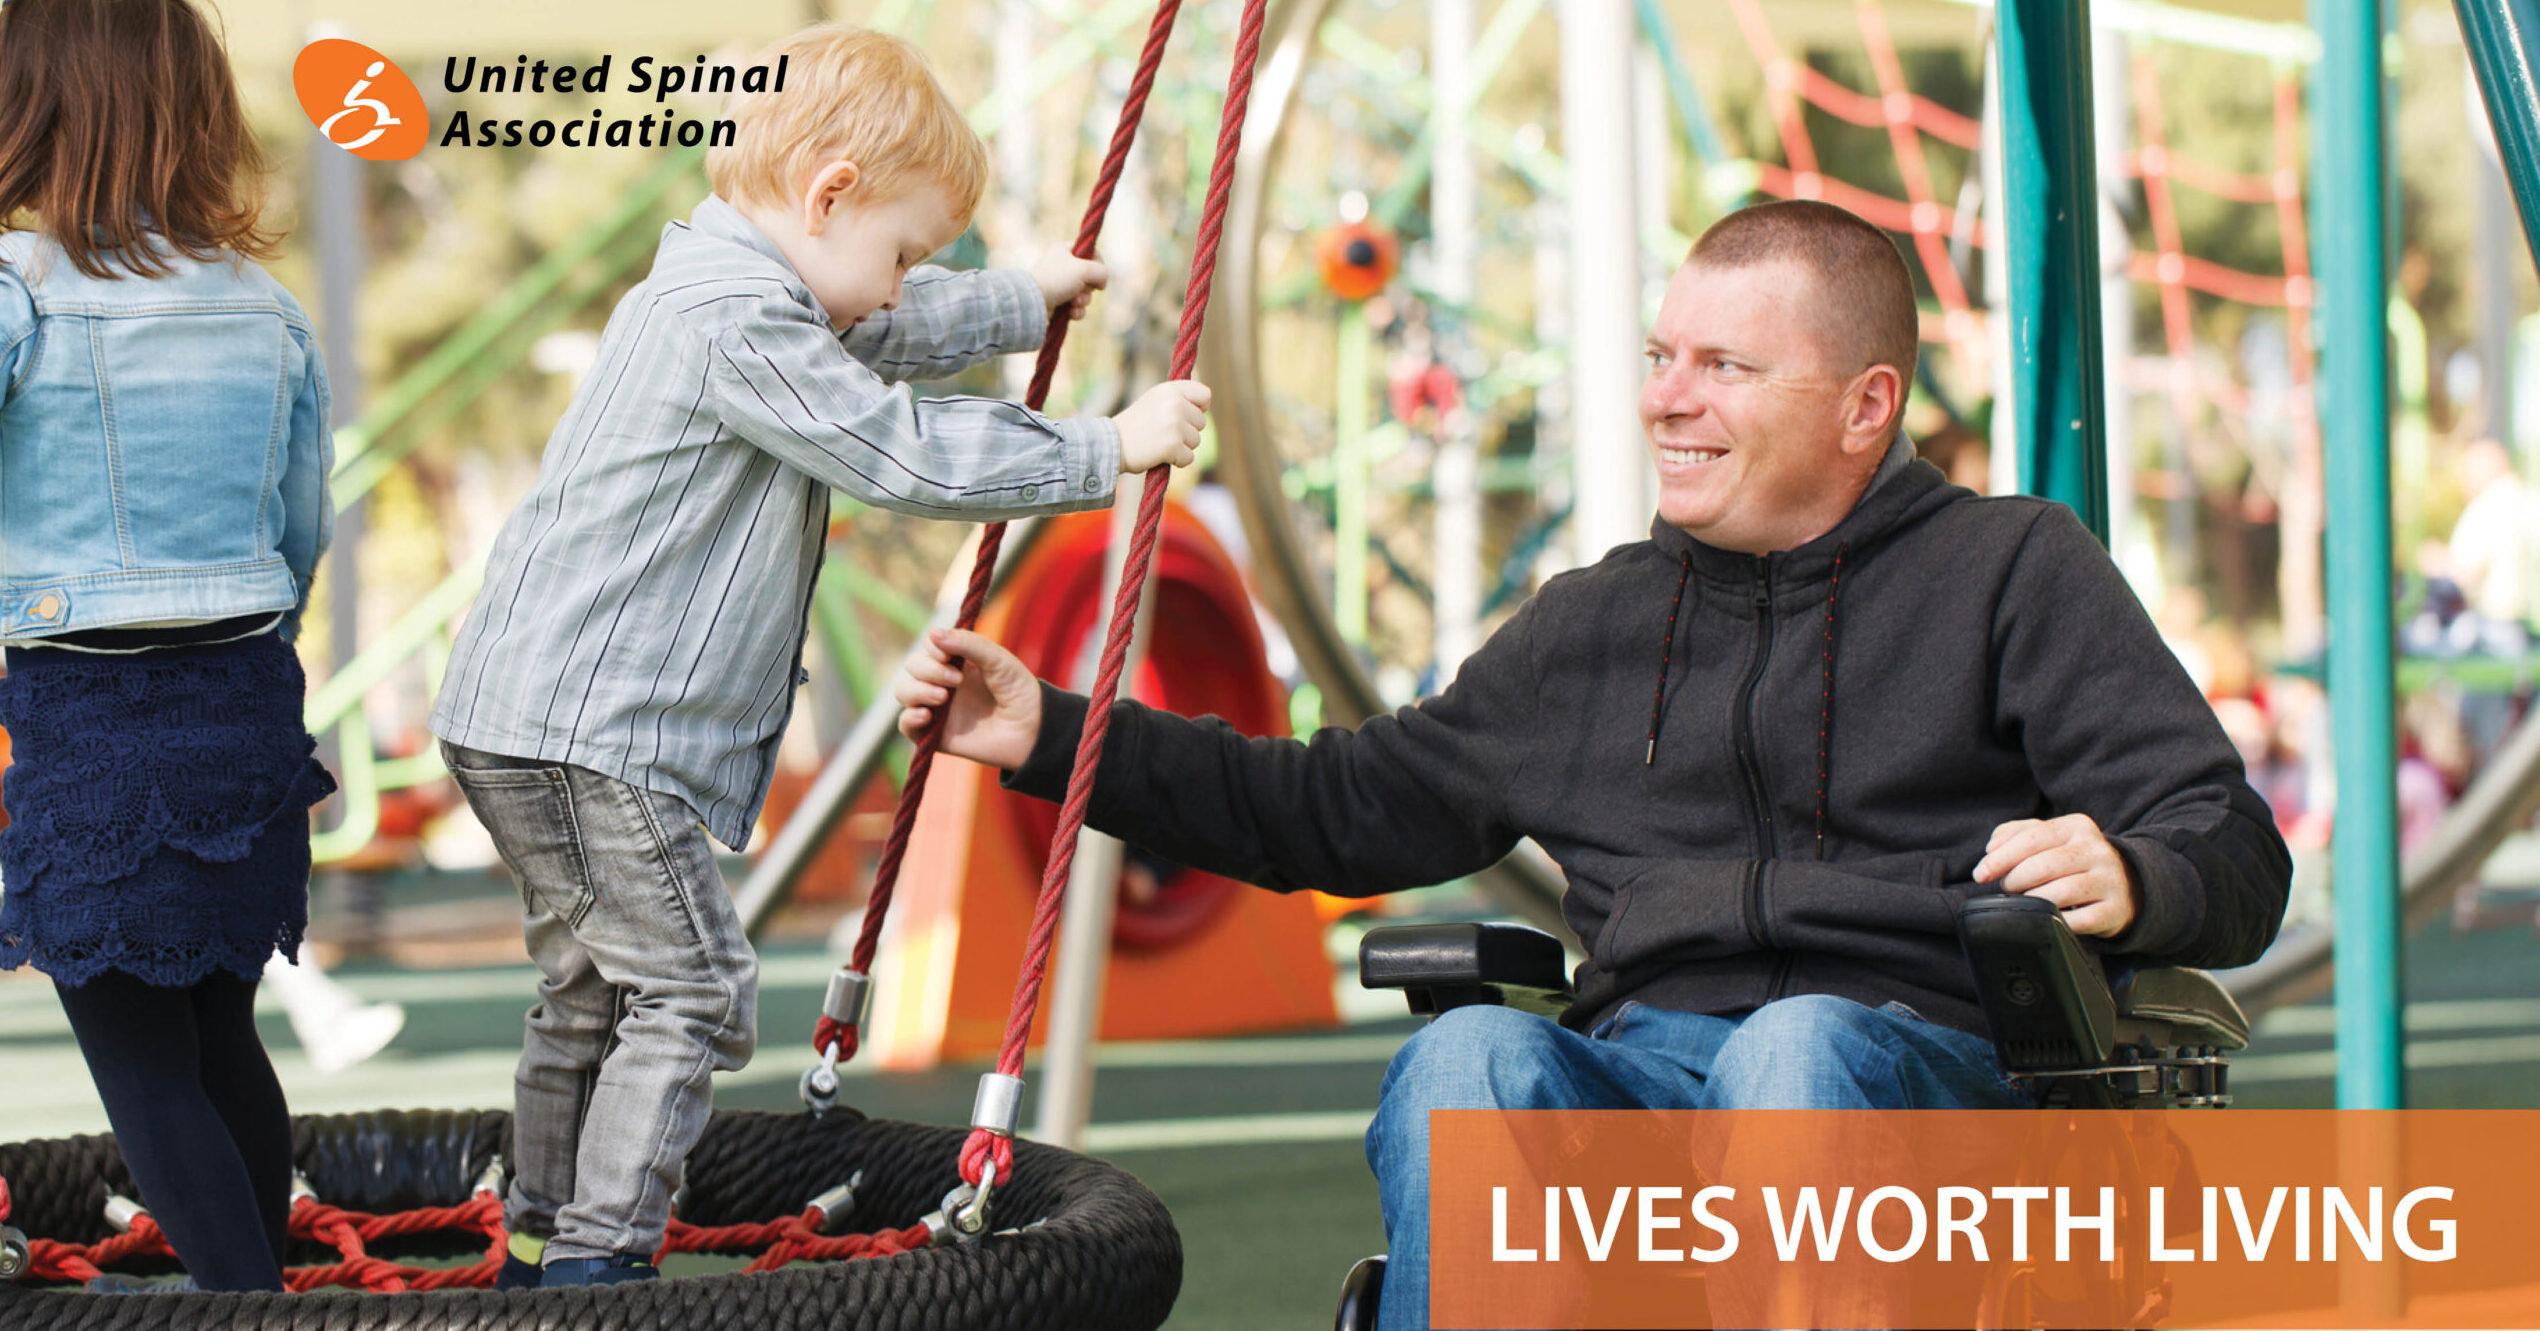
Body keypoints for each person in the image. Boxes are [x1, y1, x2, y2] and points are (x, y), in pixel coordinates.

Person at [896, 200, 2293, 1330]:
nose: (1666, 403)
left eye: (1725, 369)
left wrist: (2135, 869)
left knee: (1797, 1053)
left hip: (1927, 1080)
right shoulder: (1596, 624)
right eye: (1660, 357)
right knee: (1474, 1052)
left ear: (1867, 406)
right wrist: (1053, 731)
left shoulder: (2011, 570)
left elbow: (2229, 843)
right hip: (1656, 1078)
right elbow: (1330, 808)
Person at [427, 23, 1208, 1289]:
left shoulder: (722, 281)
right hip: (595, 734)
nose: (903, 283)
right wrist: (1102, 448)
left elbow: (874, 323)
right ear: (828, 191)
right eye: (902, 250)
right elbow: (893, 445)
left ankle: (538, 1237)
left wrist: (1018, 296)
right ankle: (595, 1269)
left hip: (522, 715)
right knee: (690, 986)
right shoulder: (738, 322)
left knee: (589, 984)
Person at [0, 0, 337, 1293]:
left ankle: (247, 1309)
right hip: (248, 695)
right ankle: (263, 1293)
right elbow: (302, 521)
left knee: (136, 1051)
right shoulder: (264, 302)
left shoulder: (22, 292)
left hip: (97, 710)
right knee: (217, 1032)